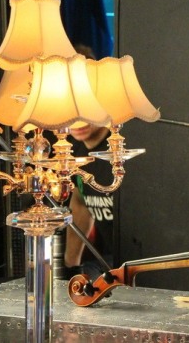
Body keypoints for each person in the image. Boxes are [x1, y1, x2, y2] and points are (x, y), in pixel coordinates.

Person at [62, 45, 116, 280]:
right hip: (108, 266)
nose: (78, 118)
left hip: (141, 266)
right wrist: (69, 268)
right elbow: (81, 203)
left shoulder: (122, 148)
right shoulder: (75, 151)